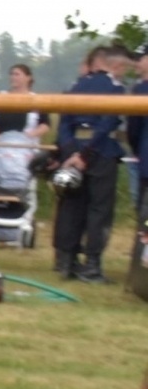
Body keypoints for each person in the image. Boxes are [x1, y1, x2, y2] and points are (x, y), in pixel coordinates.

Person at [53, 45, 129, 281]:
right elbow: (107, 124)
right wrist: (86, 154)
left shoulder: (76, 87)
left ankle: (67, 262)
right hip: (100, 153)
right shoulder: (114, 89)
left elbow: (64, 124)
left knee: (72, 208)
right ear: (111, 64)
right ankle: (92, 265)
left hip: (74, 150)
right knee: (99, 210)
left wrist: (72, 153)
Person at [127, 48, 148, 216]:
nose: (137, 63)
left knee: (145, 211)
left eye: (140, 59)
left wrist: (137, 150)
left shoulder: (140, 90)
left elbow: (133, 129)